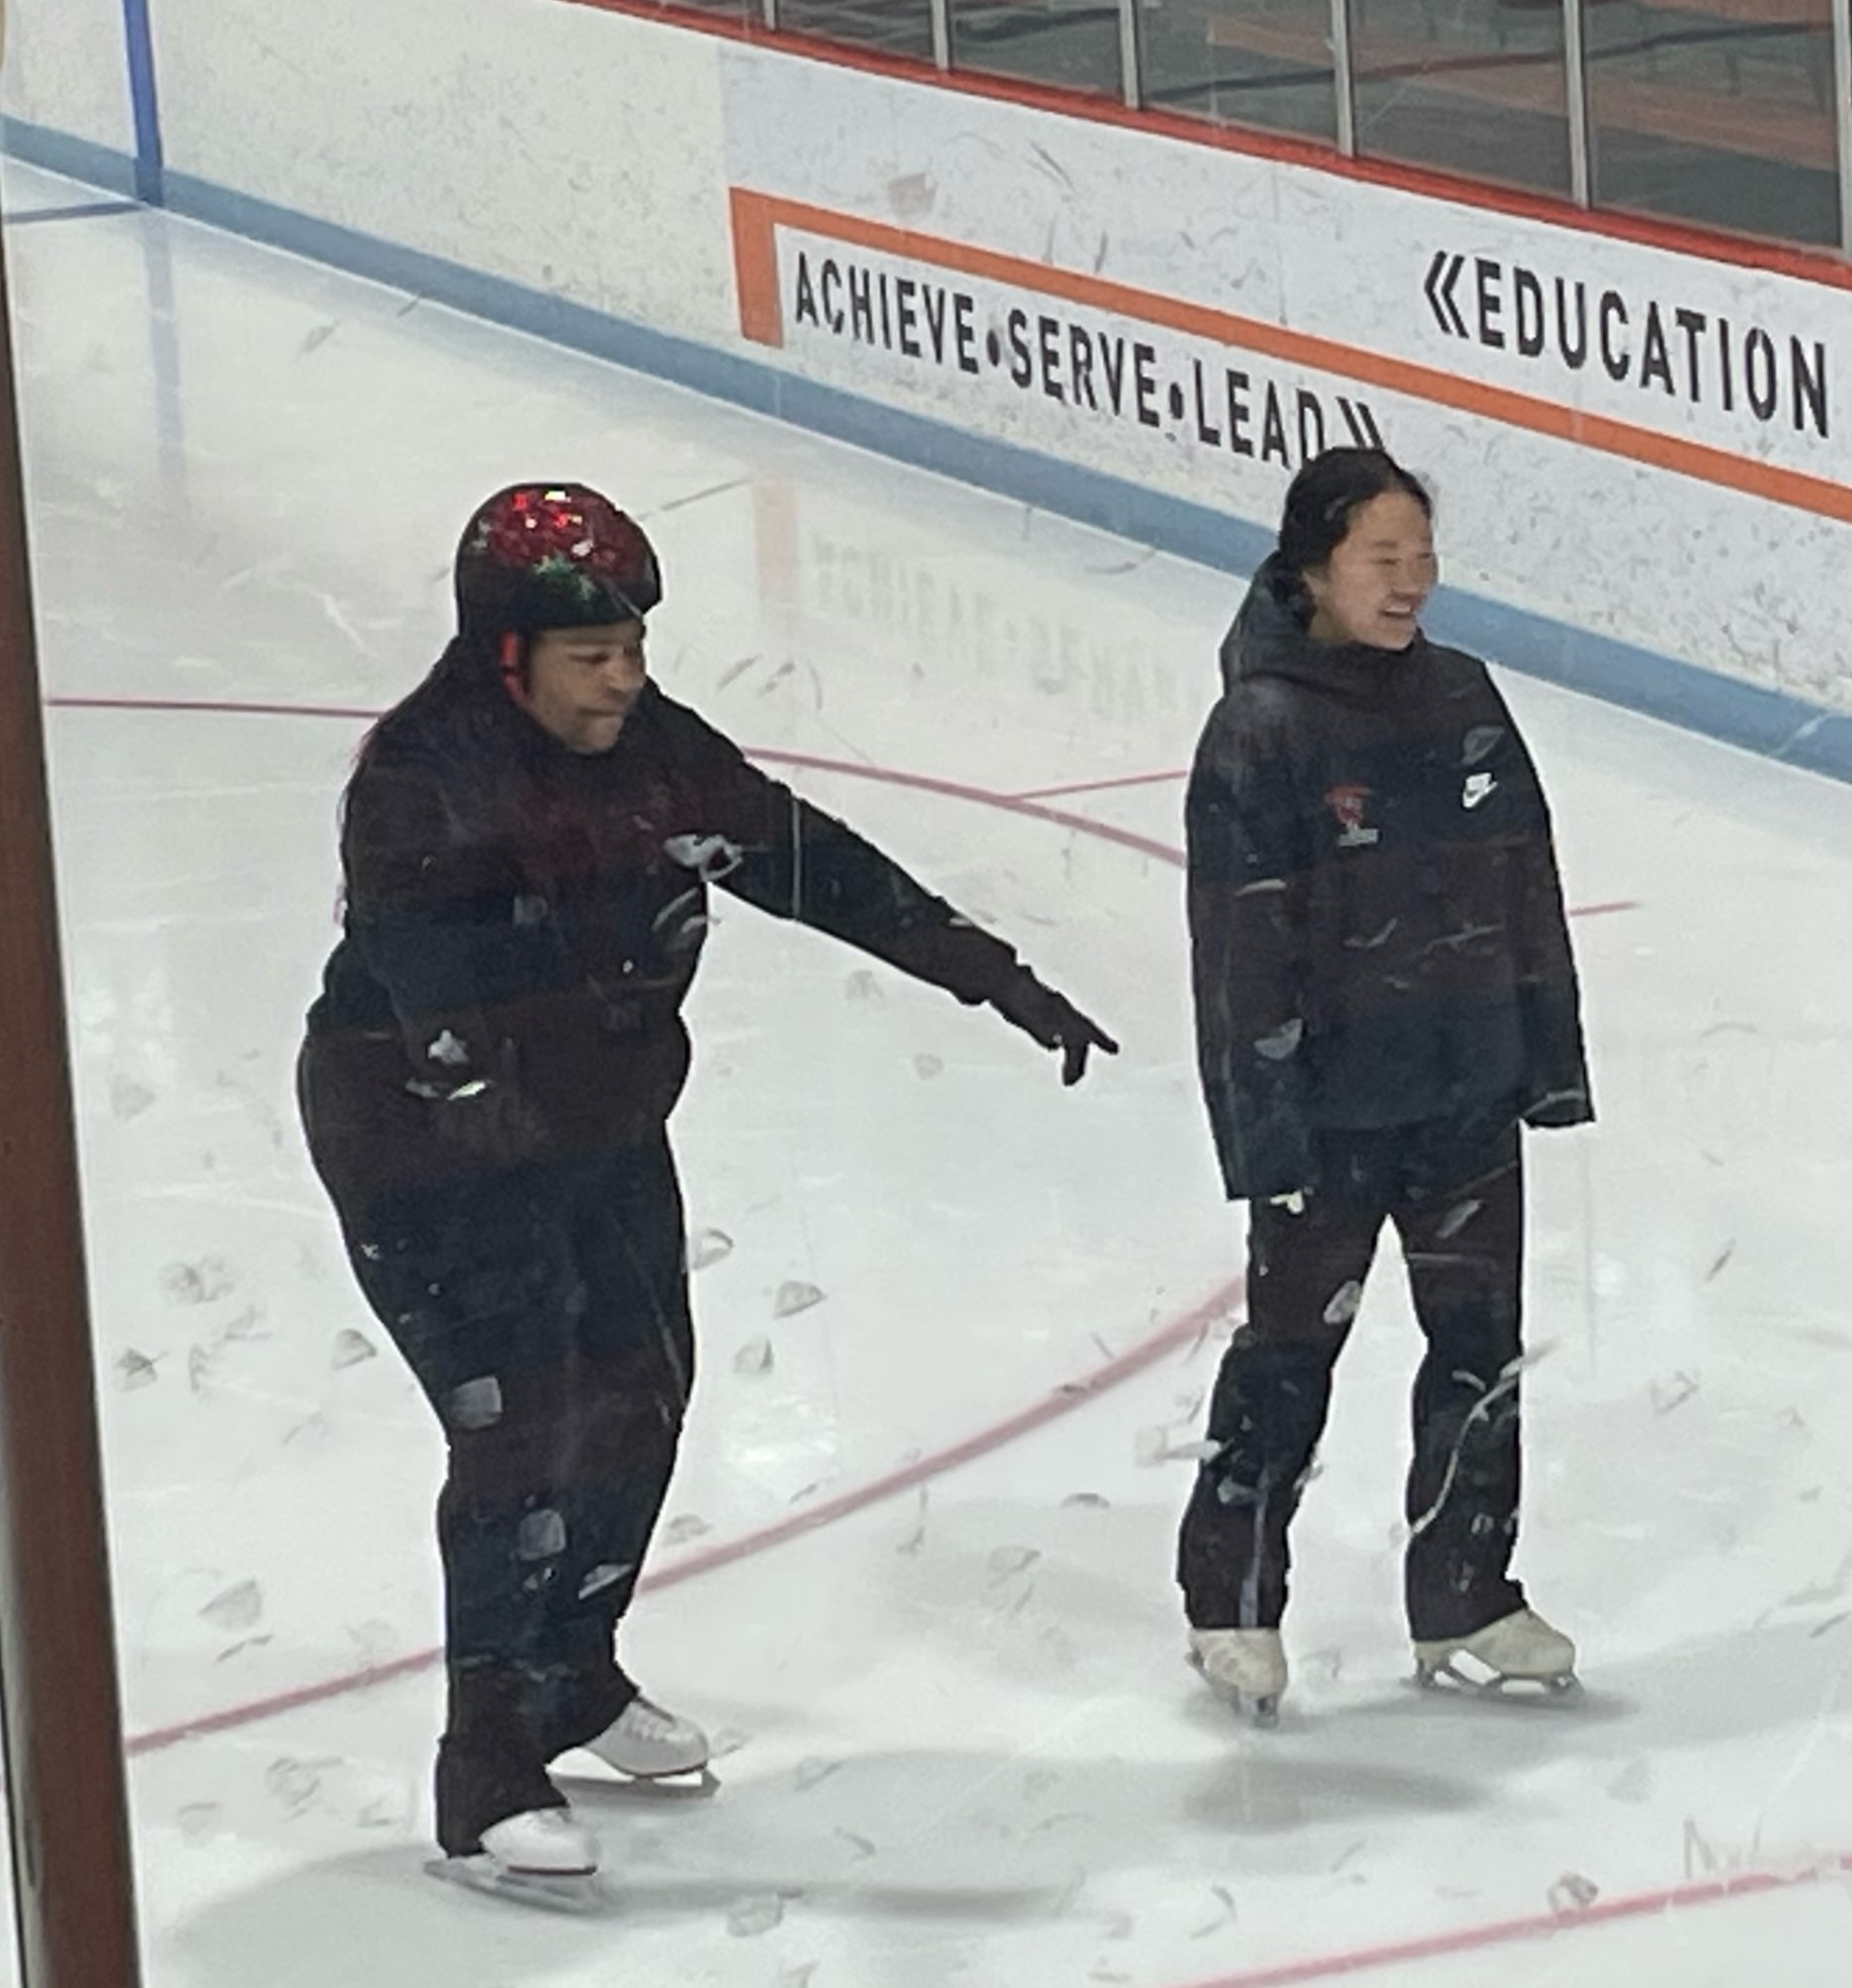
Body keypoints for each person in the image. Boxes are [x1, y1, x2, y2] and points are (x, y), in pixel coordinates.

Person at [297, 484, 1115, 1888]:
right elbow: (447, 1027)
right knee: (523, 1426)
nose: (624, 679)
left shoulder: (656, 750)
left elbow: (812, 864)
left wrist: (990, 971)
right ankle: (483, 1768)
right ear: (507, 654)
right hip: (425, 1142)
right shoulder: (424, 783)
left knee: (641, 1392)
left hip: (596, 1119)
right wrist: (523, 1189)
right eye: (591, 658)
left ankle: (570, 1669)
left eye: (633, 649)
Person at [1175, 448, 1590, 1722]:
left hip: (1465, 1088)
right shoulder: (1262, 729)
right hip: (1332, 1113)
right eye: (1379, 557)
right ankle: (1232, 1602)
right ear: (1312, 567)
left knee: (1480, 1351)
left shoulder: (1462, 692)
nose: (1408, 581)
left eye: (1421, 554)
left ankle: (1466, 1589)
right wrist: (1266, 1132)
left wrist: (1546, 1060)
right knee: (1292, 1356)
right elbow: (1241, 948)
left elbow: (1527, 880)